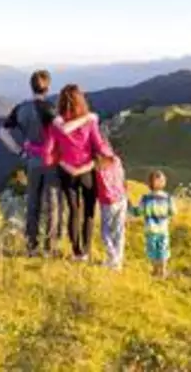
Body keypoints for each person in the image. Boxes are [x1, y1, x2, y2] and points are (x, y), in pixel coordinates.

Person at [0, 70, 62, 257]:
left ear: (31, 86)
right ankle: (50, 247)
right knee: (52, 204)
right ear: (47, 87)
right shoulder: (49, 108)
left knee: (33, 203)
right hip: (50, 162)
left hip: (32, 161)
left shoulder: (20, 109)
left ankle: (31, 246)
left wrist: (19, 151)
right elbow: (64, 129)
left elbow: (2, 133)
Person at [45, 84, 110, 262]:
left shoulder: (56, 125)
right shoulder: (89, 123)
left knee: (74, 210)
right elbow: (99, 145)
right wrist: (110, 156)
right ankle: (86, 251)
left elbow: (47, 153)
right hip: (87, 171)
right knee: (89, 210)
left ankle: (76, 252)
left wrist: (61, 161)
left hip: (66, 172)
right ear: (81, 101)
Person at [131, 170, 177, 278]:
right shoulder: (168, 198)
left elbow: (139, 212)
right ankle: (163, 271)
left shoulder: (146, 198)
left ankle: (155, 270)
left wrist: (131, 207)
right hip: (163, 229)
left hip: (150, 229)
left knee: (152, 250)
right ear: (163, 183)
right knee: (163, 250)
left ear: (149, 184)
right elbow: (174, 211)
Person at [95, 151, 128, 270]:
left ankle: (113, 256)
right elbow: (123, 178)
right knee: (119, 231)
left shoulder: (98, 167)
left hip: (108, 202)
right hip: (122, 198)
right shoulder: (117, 160)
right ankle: (117, 263)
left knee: (106, 232)